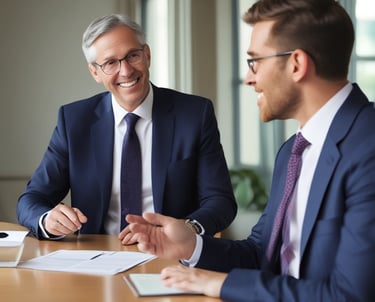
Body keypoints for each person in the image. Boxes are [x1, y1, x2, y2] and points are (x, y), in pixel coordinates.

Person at [126, 0, 375, 301]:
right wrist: (191, 245)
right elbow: (262, 254)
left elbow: (349, 296)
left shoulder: (368, 147)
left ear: (296, 64)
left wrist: (216, 284)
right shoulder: (292, 152)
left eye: (255, 61)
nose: (249, 78)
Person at [16, 14, 237, 243]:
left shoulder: (194, 115)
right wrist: (47, 220)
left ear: (147, 55)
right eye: (111, 63)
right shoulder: (74, 121)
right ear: (95, 72)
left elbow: (220, 201)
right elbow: (31, 199)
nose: (126, 71)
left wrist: (186, 229)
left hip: (171, 256)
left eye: (133, 55)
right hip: (95, 259)